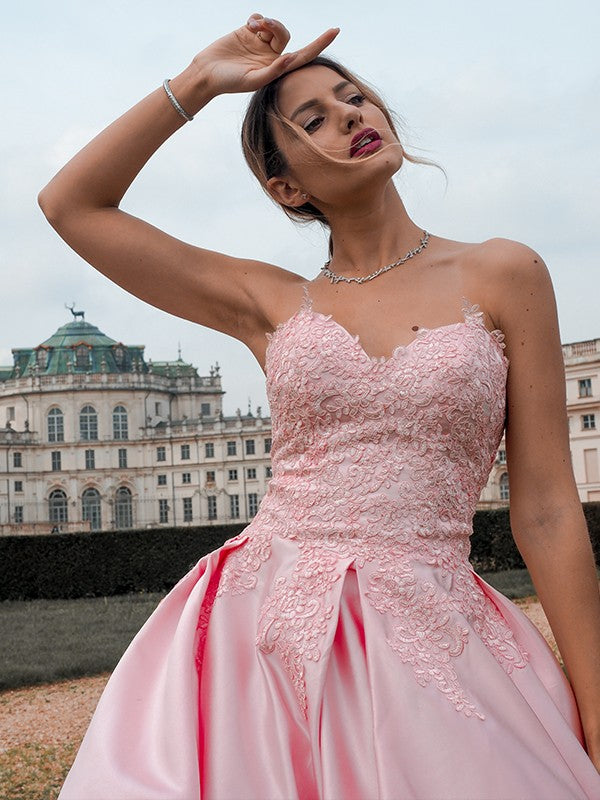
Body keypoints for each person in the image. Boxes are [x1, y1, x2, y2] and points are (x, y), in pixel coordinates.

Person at [39, 13, 600, 800]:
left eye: (353, 97)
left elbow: (545, 509)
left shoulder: (506, 272)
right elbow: (72, 204)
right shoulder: (268, 300)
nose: (348, 114)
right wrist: (199, 80)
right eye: (313, 119)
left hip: (434, 628)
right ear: (286, 188)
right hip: (259, 635)